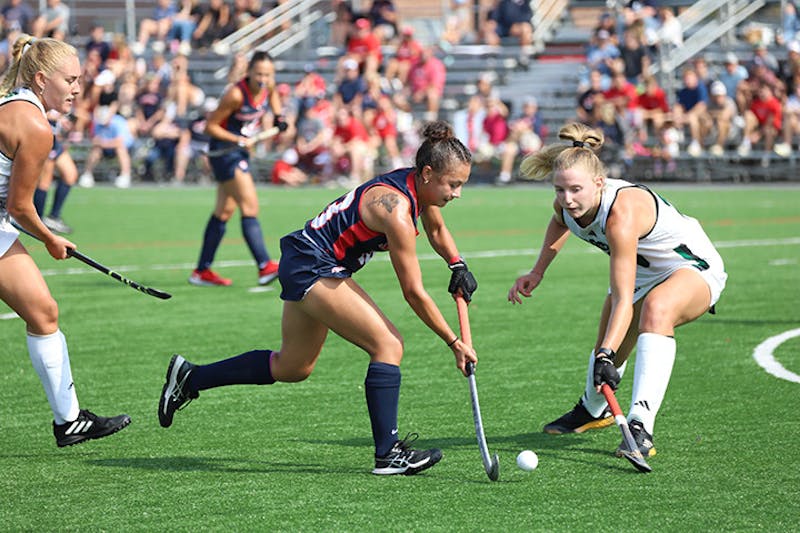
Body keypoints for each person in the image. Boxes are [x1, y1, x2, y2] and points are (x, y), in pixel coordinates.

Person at [158, 121, 479, 476]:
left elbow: (435, 227)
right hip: (314, 265)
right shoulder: (397, 212)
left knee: (293, 367)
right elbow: (413, 293)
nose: (457, 193)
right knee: (388, 345)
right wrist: (453, 342)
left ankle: (190, 378)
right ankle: (388, 453)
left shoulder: (415, 184)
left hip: (306, 259)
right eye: (454, 184)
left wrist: (457, 263)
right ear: (429, 173)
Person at [508, 122, 727, 460]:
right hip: (644, 273)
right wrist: (538, 271)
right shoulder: (569, 203)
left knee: (654, 311)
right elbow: (560, 221)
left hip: (691, 267)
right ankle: (593, 409)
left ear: (599, 183)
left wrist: (606, 354)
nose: (567, 199)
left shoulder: (620, 215)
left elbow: (624, 297)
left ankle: (640, 426)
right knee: (608, 340)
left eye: (576, 190)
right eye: (559, 190)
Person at [0, 35, 131, 447]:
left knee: (43, 312)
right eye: (70, 80)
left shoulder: (11, 104)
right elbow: (21, 209)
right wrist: (51, 239)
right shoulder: (36, 126)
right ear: (42, 79)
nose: (78, 89)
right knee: (43, 313)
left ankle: (69, 421)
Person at [189, 51, 286, 287]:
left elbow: (272, 96)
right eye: (259, 74)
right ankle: (264, 265)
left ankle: (202, 271)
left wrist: (279, 116)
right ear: (249, 72)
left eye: (267, 74)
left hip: (239, 151)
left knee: (223, 212)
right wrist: (237, 140)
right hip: (225, 152)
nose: (263, 79)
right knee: (250, 205)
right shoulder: (235, 94)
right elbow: (210, 126)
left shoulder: (267, 85)